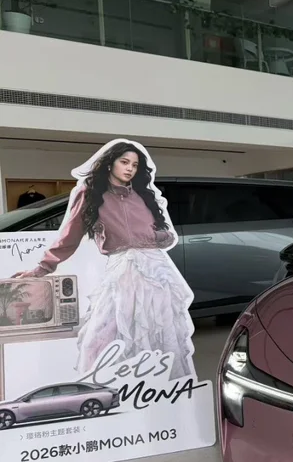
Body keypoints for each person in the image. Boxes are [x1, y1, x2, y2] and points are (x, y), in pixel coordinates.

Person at [13, 139, 194, 380]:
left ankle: (156, 387)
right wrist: (42, 268)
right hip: (122, 272)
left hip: (157, 272)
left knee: (159, 333)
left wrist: (158, 236)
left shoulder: (142, 196)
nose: (130, 169)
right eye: (124, 162)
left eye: (135, 165)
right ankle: (109, 387)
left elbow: (163, 235)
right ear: (110, 163)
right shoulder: (90, 194)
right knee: (103, 335)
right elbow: (70, 235)